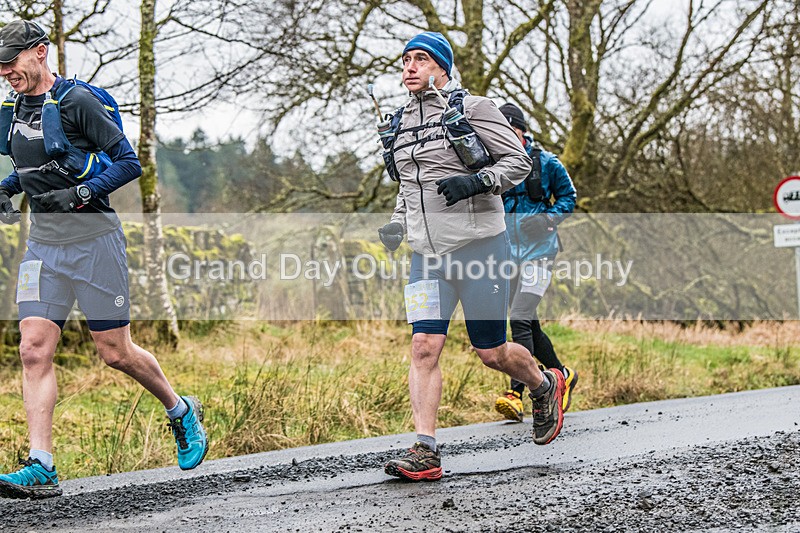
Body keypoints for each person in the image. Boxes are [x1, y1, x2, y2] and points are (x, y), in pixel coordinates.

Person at [0, 20, 207, 499]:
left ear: (40, 52)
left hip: (95, 242)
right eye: (1, 64)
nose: (7, 70)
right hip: (43, 248)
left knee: (115, 352)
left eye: (13, 60)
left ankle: (180, 410)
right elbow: (29, 169)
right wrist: (7, 189)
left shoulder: (78, 102)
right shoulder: (11, 112)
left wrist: (81, 193)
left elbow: (129, 162)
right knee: (32, 348)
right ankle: (42, 464)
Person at [377, 31, 566, 482]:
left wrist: (477, 183)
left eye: (421, 59)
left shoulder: (475, 108)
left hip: (480, 246)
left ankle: (544, 385)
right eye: (405, 60)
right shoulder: (401, 123)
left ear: (442, 68)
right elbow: (410, 186)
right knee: (424, 346)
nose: (410, 67)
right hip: (427, 254)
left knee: (491, 350)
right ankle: (425, 450)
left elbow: (517, 163)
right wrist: (397, 224)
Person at [493, 103, 579, 423]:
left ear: (520, 129)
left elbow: (569, 198)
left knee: (519, 317)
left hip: (541, 251)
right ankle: (562, 375)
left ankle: (517, 392)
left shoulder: (546, 162)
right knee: (529, 323)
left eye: (505, 129)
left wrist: (547, 220)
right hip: (508, 254)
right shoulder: (496, 165)